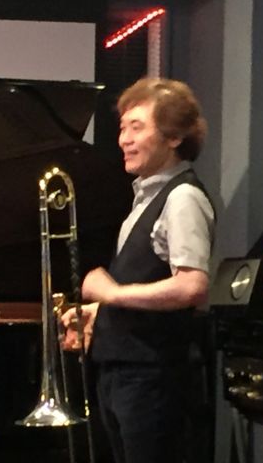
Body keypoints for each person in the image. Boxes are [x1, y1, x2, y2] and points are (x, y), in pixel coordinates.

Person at [61, 77, 215, 463]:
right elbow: (147, 282)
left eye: (137, 127)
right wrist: (100, 313)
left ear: (174, 136)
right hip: (125, 375)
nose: (124, 140)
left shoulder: (183, 198)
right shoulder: (145, 198)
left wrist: (112, 295)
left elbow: (192, 286)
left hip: (153, 377)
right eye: (122, 128)